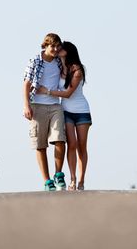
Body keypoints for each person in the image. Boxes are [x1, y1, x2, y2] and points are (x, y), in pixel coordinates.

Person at [37, 41, 92, 191]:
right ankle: (72, 179)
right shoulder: (59, 66)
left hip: (81, 112)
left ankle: (81, 181)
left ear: (68, 51)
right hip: (66, 112)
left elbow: (67, 94)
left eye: (61, 48)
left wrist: (46, 91)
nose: (58, 49)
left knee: (82, 146)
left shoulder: (77, 69)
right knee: (71, 144)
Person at [23, 33, 66, 191]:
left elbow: (66, 75)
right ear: (45, 46)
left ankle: (59, 174)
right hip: (37, 105)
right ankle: (47, 181)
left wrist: (62, 57)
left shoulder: (59, 62)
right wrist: (26, 106)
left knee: (60, 139)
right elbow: (26, 84)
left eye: (57, 46)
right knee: (40, 145)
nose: (55, 49)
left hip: (55, 105)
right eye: (52, 46)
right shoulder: (35, 60)